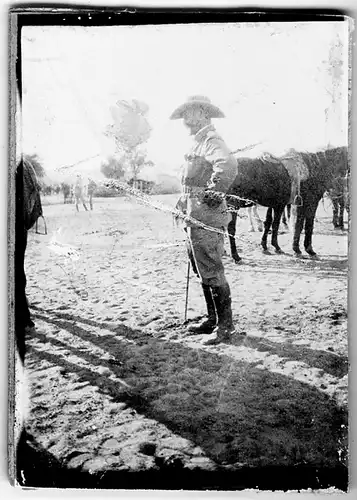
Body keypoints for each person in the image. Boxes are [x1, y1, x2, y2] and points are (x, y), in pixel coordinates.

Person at [170, 95, 245, 345]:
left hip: (207, 216)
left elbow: (228, 165)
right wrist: (183, 201)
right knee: (202, 268)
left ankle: (226, 327)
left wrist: (215, 191)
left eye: (189, 114)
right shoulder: (197, 143)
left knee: (211, 269)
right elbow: (191, 181)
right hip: (194, 215)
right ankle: (213, 319)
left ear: (202, 114)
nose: (185, 120)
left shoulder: (212, 140)